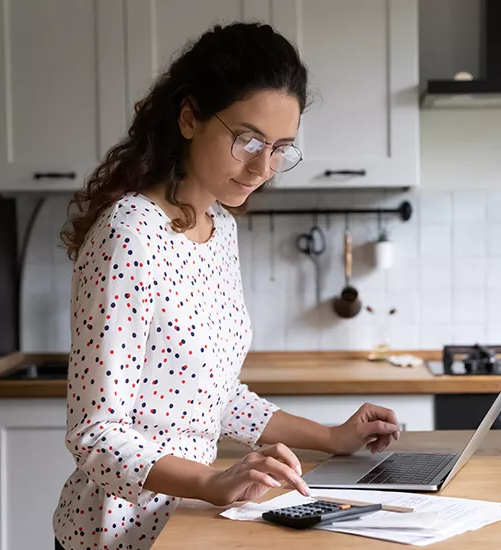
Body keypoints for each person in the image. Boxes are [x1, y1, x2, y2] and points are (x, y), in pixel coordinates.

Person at [52, 22, 402, 550]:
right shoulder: (129, 235)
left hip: (190, 525)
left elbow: (209, 396)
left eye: (281, 148)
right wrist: (214, 482)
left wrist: (332, 437)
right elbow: (95, 435)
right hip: (116, 537)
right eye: (248, 140)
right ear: (190, 117)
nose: (264, 167)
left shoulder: (219, 229)